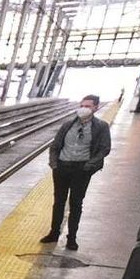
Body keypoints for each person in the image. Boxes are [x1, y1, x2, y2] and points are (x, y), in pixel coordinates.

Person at [40, 94, 111, 251]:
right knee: (58, 202)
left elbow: (104, 148)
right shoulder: (67, 125)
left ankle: (71, 238)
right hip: (62, 168)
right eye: (82, 105)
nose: (83, 109)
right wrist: (54, 163)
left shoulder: (101, 127)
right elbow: (55, 145)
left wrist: (89, 165)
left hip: (81, 170)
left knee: (76, 203)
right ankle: (54, 232)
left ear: (95, 108)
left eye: (88, 106)